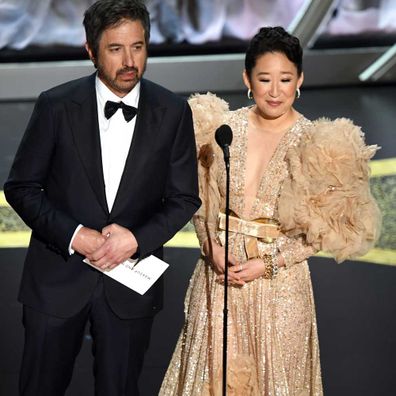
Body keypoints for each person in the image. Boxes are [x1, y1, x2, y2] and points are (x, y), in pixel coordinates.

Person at [160, 26, 381, 395]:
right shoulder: (220, 128)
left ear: (299, 80)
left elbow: (325, 229)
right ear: (247, 78)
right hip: (218, 280)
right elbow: (198, 198)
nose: (275, 90)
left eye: (285, 79)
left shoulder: (317, 143)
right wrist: (209, 245)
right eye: (265, 79)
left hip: (279, 287)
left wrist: (269, 264)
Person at [4, 0, 201, 395]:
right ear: (91, 50)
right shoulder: (56, 105)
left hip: (128, 287)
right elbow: (21, 188)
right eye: (115, 49)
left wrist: (136, 239)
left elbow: (184, 198)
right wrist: (78, 235)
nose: (130, 61)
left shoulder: (173, 111)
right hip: (56, 280)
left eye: (138, 47)